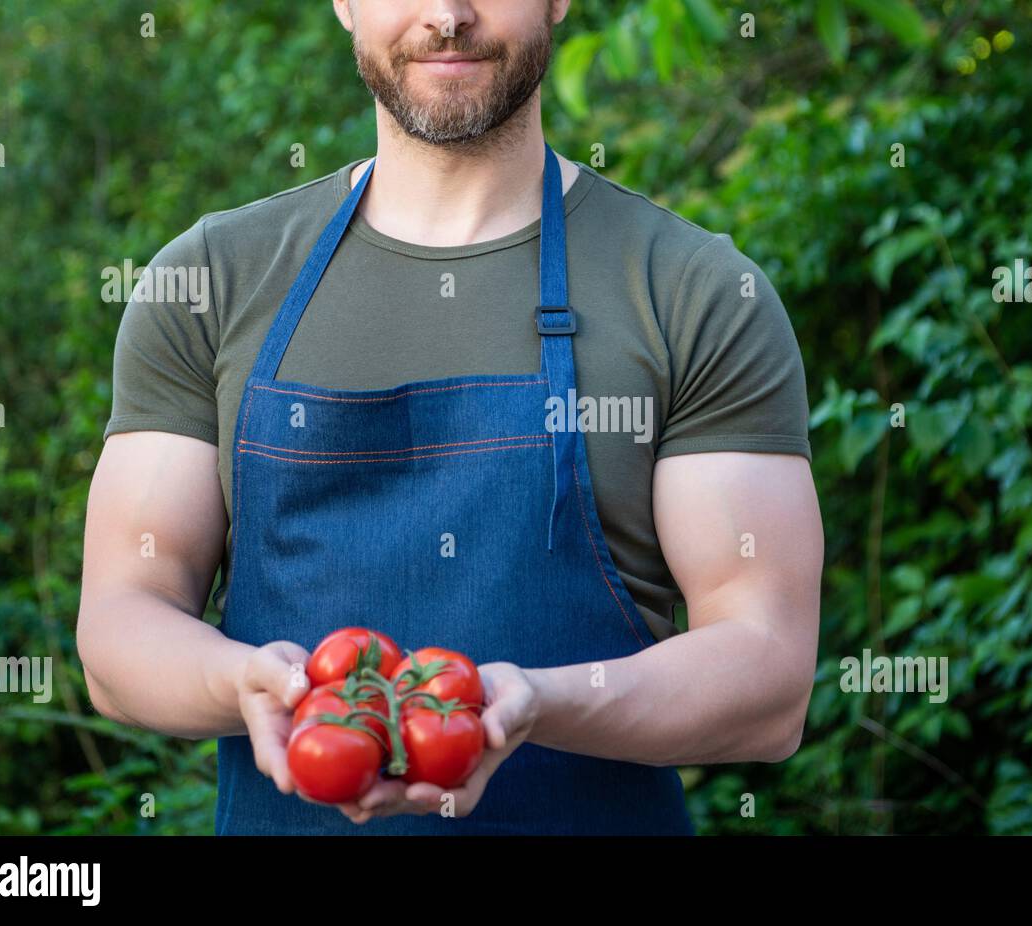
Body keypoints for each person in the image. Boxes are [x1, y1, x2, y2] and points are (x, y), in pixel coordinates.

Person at [77, 0, 823, 835]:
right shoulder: (212, 281)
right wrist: (247, 683)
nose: (447, 15)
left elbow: (767, 672)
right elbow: (121, 622)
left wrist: (539, 703)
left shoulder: (695, 293)